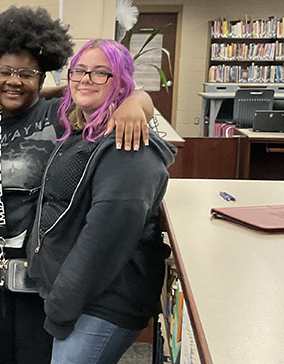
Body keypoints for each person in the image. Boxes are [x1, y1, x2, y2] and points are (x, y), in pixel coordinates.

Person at [0, 7, 155, 364]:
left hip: (40, 269)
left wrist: (136, 101)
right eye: (5, 71)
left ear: (42, 77)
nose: (14, 81)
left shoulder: (58, 114)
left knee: (36, 356)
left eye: (27, 74)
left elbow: (107, 93)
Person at [26, 39, 176, 364]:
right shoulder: (83, 126)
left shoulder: (128, 145)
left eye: (100, 73)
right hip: (79, 294)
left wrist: (60, 307)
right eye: (79, 70)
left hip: (102, 301)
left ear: (121, 80)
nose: (85, 79)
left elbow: (103, 241)